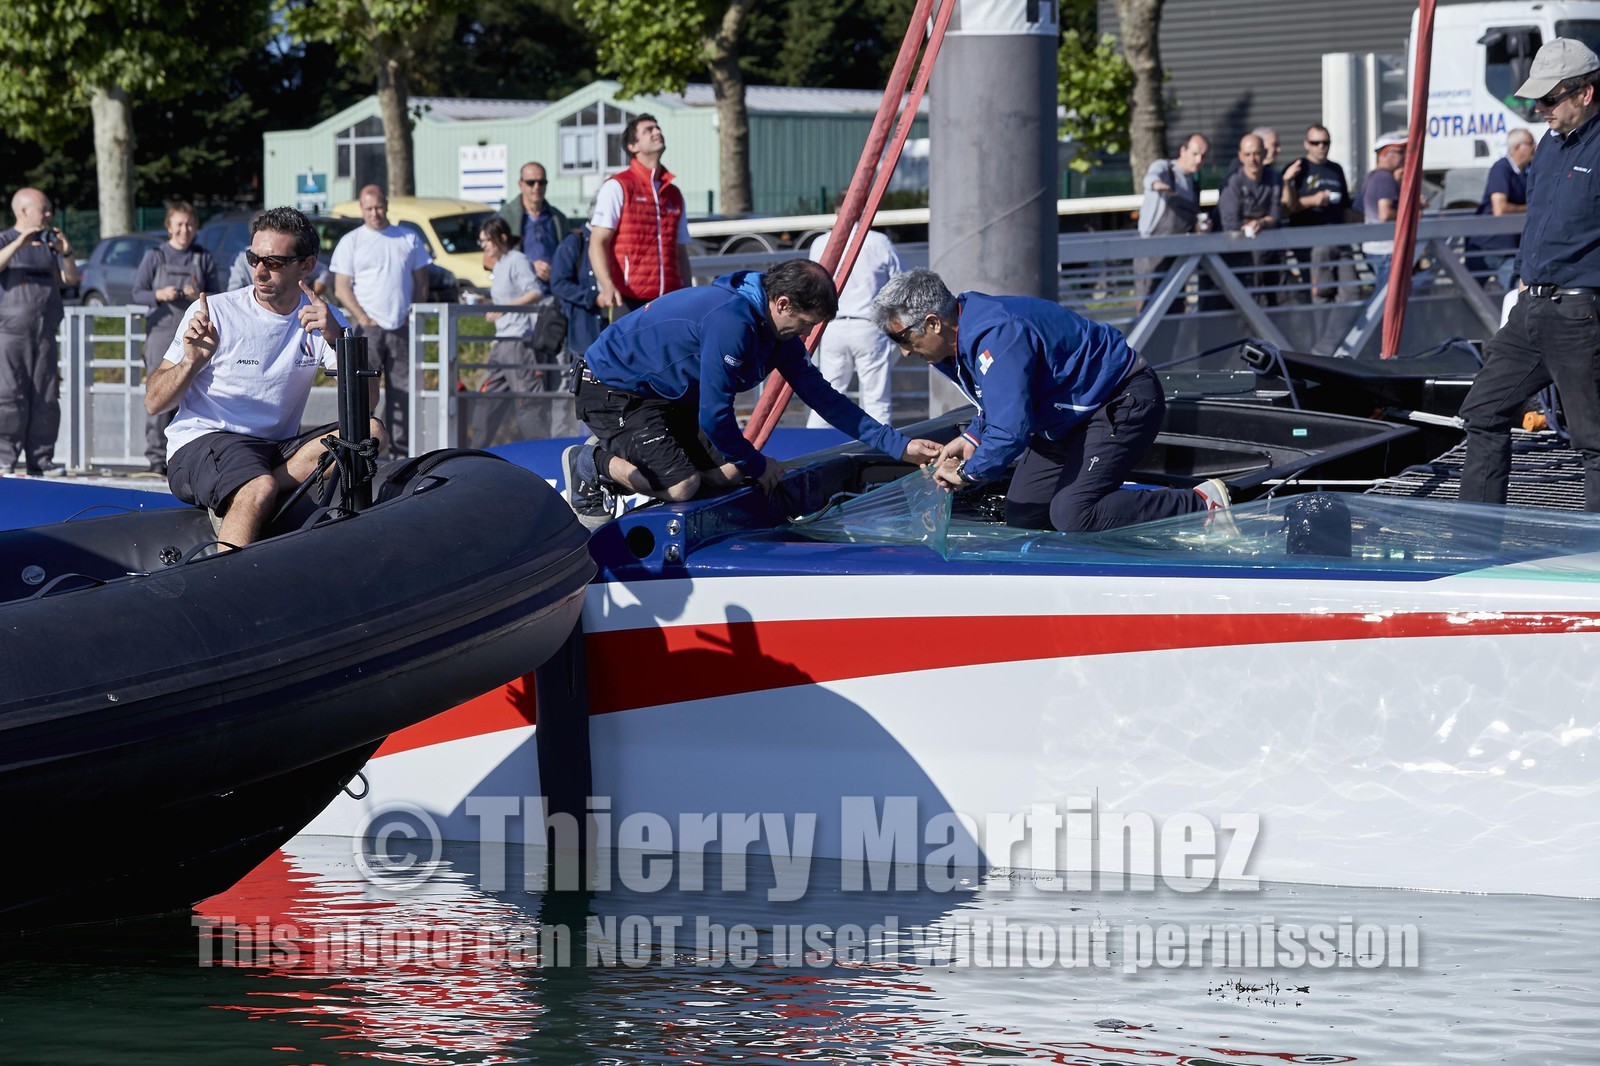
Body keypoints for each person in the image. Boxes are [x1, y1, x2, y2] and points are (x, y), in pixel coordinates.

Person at [564, 258, 940, 526]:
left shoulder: (780, 333)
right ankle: (590, 463)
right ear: (782, 304)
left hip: (666, 396)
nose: (807, 336)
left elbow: (825, 399)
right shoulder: (732, 321)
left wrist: (898, 445)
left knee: (730, 472)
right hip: (614, 389)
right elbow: (715, 416)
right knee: (682, 486)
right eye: (806, 325)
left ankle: (652, 463)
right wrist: (759, 464)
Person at [871, 269, 1231, 533]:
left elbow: (1012, 431)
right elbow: (1000, 401)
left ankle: (1200, 503)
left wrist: (967, 473)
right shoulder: (955, 342)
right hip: (1065, 418)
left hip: (1119, 399)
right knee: (1024, 516)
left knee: (1073, 513)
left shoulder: (996, 335)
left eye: (902, 338)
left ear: (933, 322)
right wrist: (972, 439)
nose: (903, 352)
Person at [144, 207, 382, 546]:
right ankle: (226, 578)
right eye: (253, 258)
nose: (259, 271)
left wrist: (337, 339)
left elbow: (368, 403)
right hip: (206, 441)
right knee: (259, 487)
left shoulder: (320, 316)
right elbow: (153, 402)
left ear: (307, 265)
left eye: (273, 262)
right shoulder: (216, 312)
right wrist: (191, 363)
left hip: (275, 449)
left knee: (371, 433)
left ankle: (255, 488)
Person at [1459, 39, 1600, 511]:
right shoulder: (1547, 145)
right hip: (1532, 307)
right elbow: (1537, 218)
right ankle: (1476, 544)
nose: (1538, 108)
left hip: (1580, 310)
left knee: (1594, 438)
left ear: (1585, 93)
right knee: (1483, 410)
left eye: (1549, 98)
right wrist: (1522, 277)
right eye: (1535, 99)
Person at [329, 184, 429, 459]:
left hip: (401, 326)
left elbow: (421, 280)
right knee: (364, 394)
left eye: (379, 207)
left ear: (386, 205)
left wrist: (414, 312)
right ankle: (362, 449)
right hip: (367, 329)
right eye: (369, 208)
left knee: (404, 393)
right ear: (361, 209)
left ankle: (402, 455)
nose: (375, 213)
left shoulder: (407, 237)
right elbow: (341, 287)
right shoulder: (352, 241)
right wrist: (362, 317)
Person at [133, 201, 222, 475]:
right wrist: (160, 295)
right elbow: (137, 292)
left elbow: (218, 297)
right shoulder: (155, 256)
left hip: (194, 334)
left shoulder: (203, 257)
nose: (185, 230)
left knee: (192, 392)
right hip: (162, 331)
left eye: (190, 224)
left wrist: (197, 294)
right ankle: (156, 457)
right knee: (162, 391)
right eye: (179, 224)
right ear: (169, 227)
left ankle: (185, 456)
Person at [0, 187, 77, 475]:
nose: (48, 214)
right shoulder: (5, 240)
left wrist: (65, 251)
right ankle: (4, 457)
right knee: (9, 395)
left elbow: (69, 278)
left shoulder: (48, 245)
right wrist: (20, 243)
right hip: (9, 334)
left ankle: (41, 459)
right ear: (22, 211)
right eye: (42, 209)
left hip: (45, 333)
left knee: (46, 397)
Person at [588, 114, 692, 315]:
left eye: (657, 127)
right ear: (632, 146)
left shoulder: (674, 193)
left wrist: (687, 292)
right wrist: (607, 285)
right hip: (628, 298)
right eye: (649, 130)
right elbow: (597, 242)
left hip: (669, 298)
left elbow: (680, 251)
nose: (657, 132)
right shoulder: (617, 186)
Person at [804, 226, 904, 426]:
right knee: (876, 396)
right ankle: (882, 451)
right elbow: (900, 282)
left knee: (828, 393)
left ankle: (812, 444)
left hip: (832, 324)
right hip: (869, 325)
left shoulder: (821, 242)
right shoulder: (879, 241)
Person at [471, 215, 549, 445]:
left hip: (517, 342)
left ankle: (543, 455)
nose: (483, 245)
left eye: (486, 240)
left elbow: (535, 292)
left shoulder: (518, 260)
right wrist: (486, 304)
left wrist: (505, 309)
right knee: (486, 402)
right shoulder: (500, 263)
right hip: (501, 343)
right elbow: (507, 299)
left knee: (527, 405)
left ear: (502, 238)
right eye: (481, 241)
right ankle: (474, 454)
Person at [1134, 133, 1210, 314]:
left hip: (1177, 257)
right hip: (1152, 255)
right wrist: (1157, 184)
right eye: (1195, 154)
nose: (1199, 160)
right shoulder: (1164, 168)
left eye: (1203, 156)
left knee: (1175, 311)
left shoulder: (1193, 183)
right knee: (1147, 313)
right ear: (1183, 151)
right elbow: (1150, 178)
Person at [1282, 124, 1358, 303]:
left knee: (1352, 291)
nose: (1321, 147)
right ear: (1306, 144)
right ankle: (1323, 331)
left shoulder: (1336, 169)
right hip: (1312, 242)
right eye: (1315, 143)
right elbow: (1288, 208)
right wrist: (1312, 200)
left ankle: (1338, 332)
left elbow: (1346, 207)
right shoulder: (1298, 168)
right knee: (1322, 292)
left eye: (1325, 143)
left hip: (1338, 238)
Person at [1466, 128, 1535, 293]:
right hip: (1490, 246)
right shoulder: (1501, 168)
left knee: (1513, 291)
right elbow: (1500, 208)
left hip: (1509, 246)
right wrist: (1531, 208)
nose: (1535, 146)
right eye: (1531, 143)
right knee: (1472, 294)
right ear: (1518, 147)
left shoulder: (1526, 171)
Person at [1218, 133, 1284, 303]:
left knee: (1279, 297)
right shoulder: (1233, 181)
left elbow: (1276, 217)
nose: (1252, 159)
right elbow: (1230, 222)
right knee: (1246, 301)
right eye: (1247, 154)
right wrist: (1259, 222)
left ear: (1264, 154)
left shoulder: (1275, 179)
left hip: (1269, 252)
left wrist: (1260, 223)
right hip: (1238, 254)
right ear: (1240, 156)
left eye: (1256, 153)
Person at [496, 161, 571, 289]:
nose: (537, 187)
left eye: (541, 182)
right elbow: (491, 259)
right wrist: (528, 266)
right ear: (521, 185)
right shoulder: (505, 217)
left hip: (553, 291)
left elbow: (569, 255)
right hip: (519, 292)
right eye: (531, 182)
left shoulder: (558, 218)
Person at [549, 217, 604, 366]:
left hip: (606, 326)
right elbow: (558, 283)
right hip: (583, 329)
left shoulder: (614, 240)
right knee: (583, 382)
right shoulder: (574, 242)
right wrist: (592, 298)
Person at [1360, 131, 1407, 290]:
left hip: (1374, 248)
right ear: (1385, 153)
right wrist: (1413, 213)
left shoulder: (1373, 176)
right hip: (1385, 249)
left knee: (1384, 296)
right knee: (1386, 298)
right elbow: (1385, 214)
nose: (1404, 156)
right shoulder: (1385, 178)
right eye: (1400, 151)